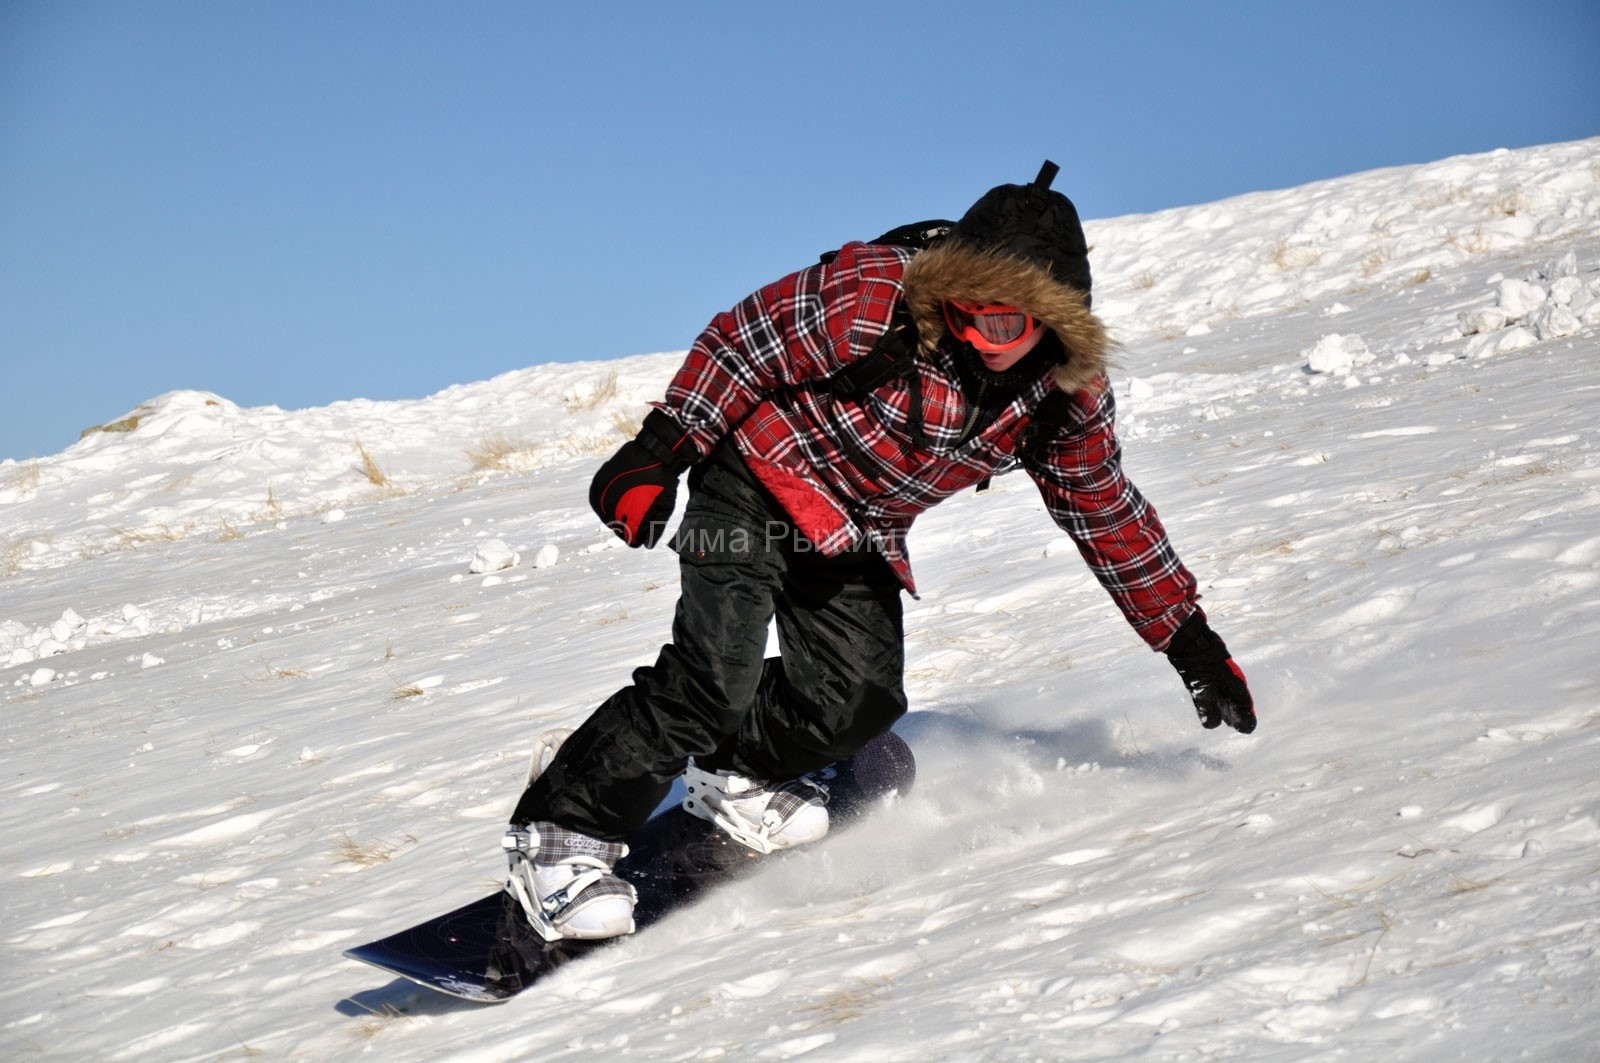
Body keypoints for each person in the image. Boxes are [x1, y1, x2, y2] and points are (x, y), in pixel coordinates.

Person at [501, 162, 1256, 941]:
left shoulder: (1062, 405)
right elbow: (742, 343)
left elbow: (1105, 511)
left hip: (850, 526)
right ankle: (558, 831)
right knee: (711, 675)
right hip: (756, 478)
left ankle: (735, 772)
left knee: (859, 700)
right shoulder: (873, 299)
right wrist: (660, 448)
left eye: (1002, 323)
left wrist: (1189, 640)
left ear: (1054, 321)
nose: (977, 337)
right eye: (964, 311)